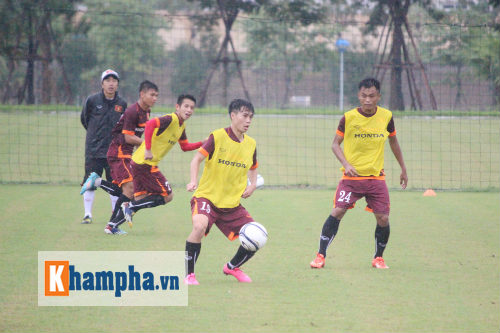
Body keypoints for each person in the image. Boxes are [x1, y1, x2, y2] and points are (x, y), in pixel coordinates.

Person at [310, 77, 408, 270]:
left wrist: (403, 168)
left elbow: (394, 142)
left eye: (372, 96)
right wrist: (346, 164)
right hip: (351, 178)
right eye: (364, 96)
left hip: (375, 178)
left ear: (379, 96)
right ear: (358, 96)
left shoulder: (386, 116)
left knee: (384, 219)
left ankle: (378, 258)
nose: (368, 100)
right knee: (338, 211)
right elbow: (334, 144)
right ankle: (320, 255)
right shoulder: (348, 118)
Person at [184, 98, 265, 285]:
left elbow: (253, 167)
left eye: (251, 117)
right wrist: (193, 181)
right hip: (207, 197)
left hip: (231, 205)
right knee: (199, 226)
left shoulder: (251, 144)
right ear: (233, 115)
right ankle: (189, 275)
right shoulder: (217, 137)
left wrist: (252, 185)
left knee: (257, 236)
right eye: (245, 116)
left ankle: (232, 267)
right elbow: (196, 160)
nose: (248, 121)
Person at [107, 94, 204, 232]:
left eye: (192, 108)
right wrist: (147, 149)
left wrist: (203, 143)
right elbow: (151, 124)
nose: (189, 110)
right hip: (144, 163)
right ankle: (130, 207)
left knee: (141, 198)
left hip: (138, 163)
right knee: (167, 195)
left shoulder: (181, 126)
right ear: (177, 107)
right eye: (186, 106)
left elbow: (185, 146)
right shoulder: (171, 119)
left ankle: (112, 226)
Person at [83, 80, 158, 234]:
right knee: (130, 190)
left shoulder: (147, 112)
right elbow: (129, 138)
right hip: (118, 152)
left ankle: (97, 183)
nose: (155, 98)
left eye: (157, 95)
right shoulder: (132, 111)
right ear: (142, 94)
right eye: (152, 95)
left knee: (126, 191)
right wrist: (146, 145)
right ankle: (111, 225)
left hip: (127, 153)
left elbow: (137, 137)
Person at [79, 69, 127, 224]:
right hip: (94, 150)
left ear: (117, 84)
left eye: (114, 80)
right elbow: (84, 119)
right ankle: (87, 214)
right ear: (102, 83)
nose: (111, 83)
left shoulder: (122, 104)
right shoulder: (92, 101)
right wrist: (95, 136)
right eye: (108, 80)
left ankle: (114, 213)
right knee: (90, 181)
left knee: (115, 183)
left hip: (114, 151)